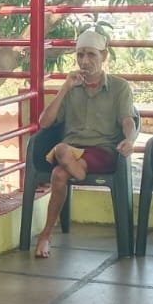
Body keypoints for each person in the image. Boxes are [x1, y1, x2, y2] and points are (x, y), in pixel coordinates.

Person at [31, 29, 137, 259]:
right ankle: (46, 234)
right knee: (60, 166)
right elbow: (44, 123)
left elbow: (128, 120)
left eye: (91, 55)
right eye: (80, 55)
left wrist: (130, 140)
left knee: (60, 162)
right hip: (73, 151)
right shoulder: (71, 87)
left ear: (104, 56)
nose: (85, 61)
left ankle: (46, 234)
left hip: (102, 151)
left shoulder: (119, 87)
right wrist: (64, 89)